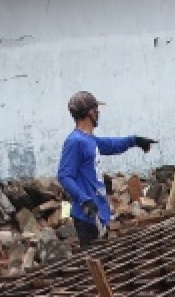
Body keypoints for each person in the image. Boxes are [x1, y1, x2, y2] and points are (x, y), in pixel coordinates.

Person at [57, 91, 155, 248]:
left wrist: (135, 141)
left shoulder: (88, 139)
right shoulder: (74, 142)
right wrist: (84, 200)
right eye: (96, 109)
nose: (98, 113)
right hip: (87, 214)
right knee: (94, 261)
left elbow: (110, 144)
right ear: (90, 112)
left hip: (98, 210)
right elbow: (64, 176)